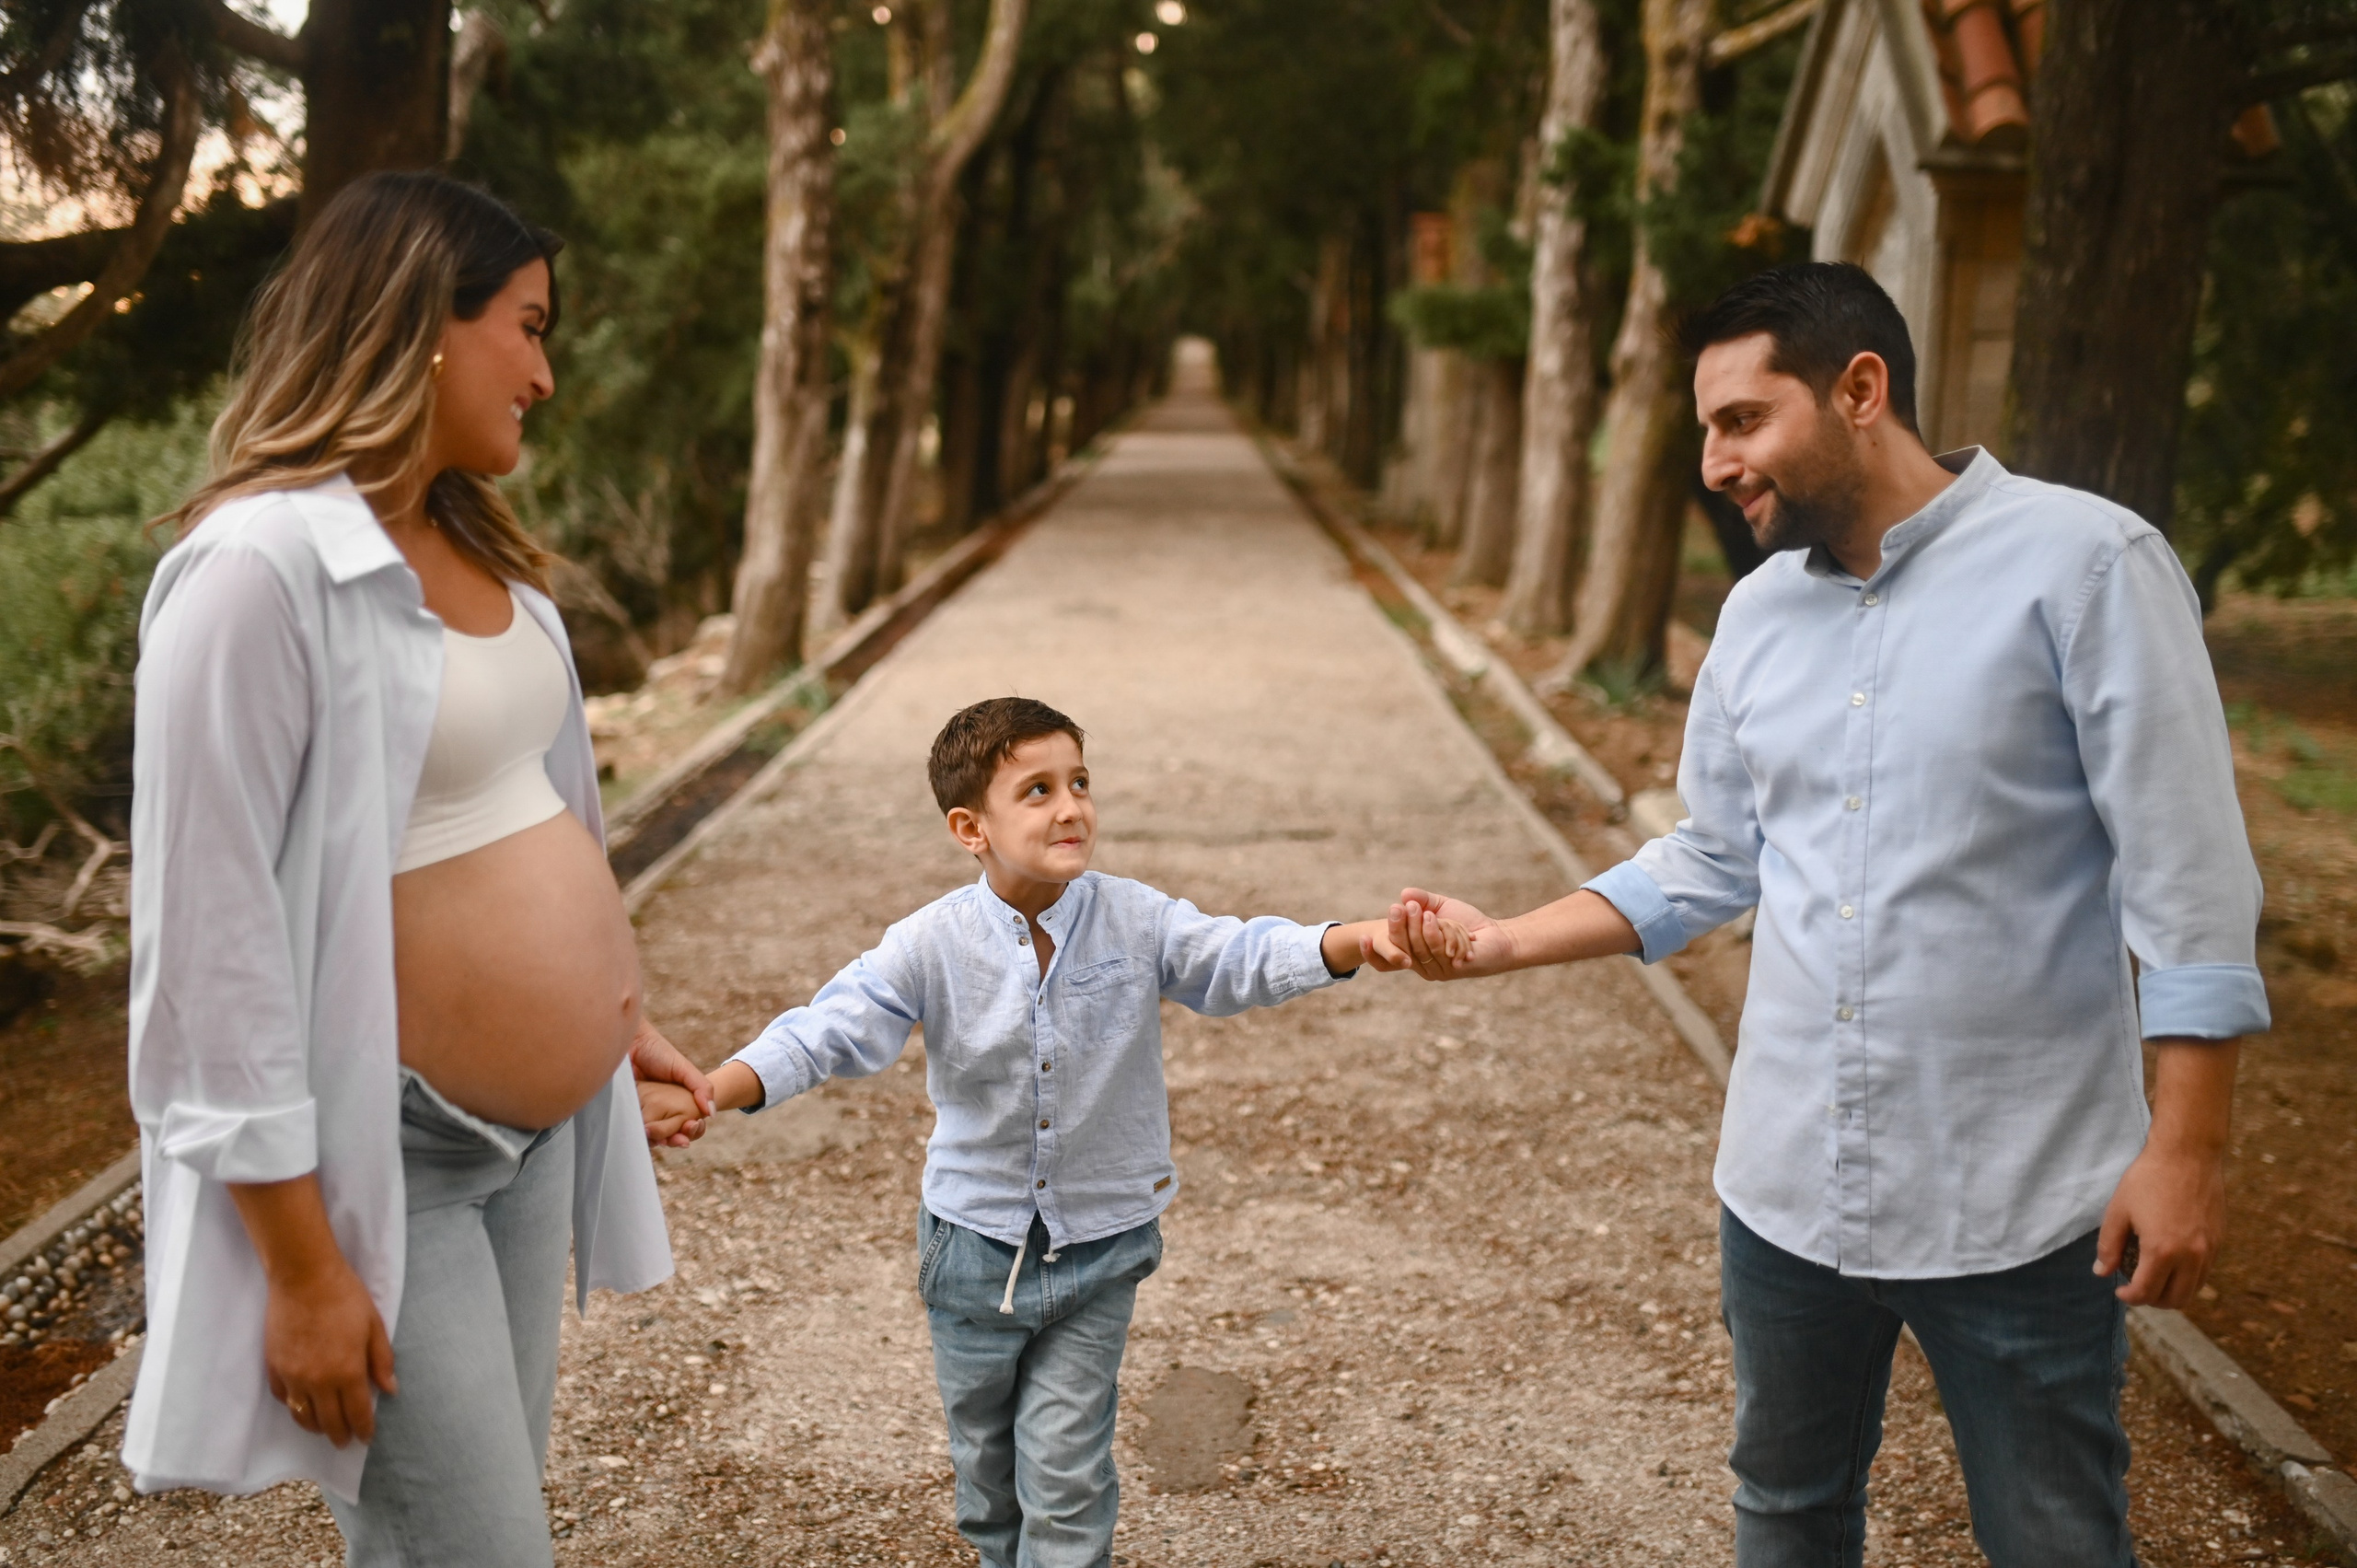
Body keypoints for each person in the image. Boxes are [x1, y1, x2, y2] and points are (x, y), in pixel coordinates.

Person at [1386, 262, 2266, 1567]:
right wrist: (1509, 936)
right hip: (1789, 1190)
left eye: (1742, 420)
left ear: (1862, 389)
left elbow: (2188, 877)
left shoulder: (2087, 566)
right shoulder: (1755, 615)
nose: (1714, 461)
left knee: (2054, 1537)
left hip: (2018, 1202)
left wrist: (2183, 1149)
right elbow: (1710, 856)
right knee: (1787, 1514)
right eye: (1705, 429)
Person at [124, 171, 714, 1565]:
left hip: (536, 1137)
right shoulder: (257, 572)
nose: (546, 371)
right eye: (526, 325)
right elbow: (208, 944)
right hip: (394, 1154)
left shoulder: (472, 542)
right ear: (420, 326)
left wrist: (613, 1020)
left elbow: (523, 801)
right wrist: (303, 1265)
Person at [640, 696, 1434, 1568]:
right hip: (974, 1252)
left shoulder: (1136, 917)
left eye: (1081, 782)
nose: (1071, 808)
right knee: (986, 1476)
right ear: (969, 826)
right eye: (1039, 789)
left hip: (1102, 1246)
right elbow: (828, 1028)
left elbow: (1234, 956)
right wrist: (715, 1089)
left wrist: (1355, 940)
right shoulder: (930, 942)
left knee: (1065, 1477)